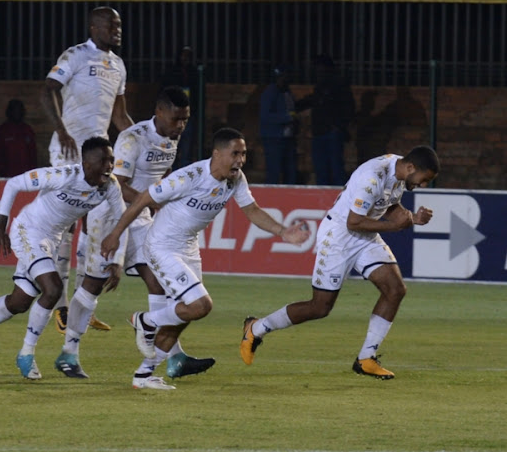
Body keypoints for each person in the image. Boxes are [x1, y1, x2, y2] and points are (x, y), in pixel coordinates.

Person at [101, 128, 310, 367]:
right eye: (235, 154)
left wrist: (282, 231)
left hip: (189, 246)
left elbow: (251, 210)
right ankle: (146, 321)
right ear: (217, 154)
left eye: (243, 154)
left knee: (184, 316)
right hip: (162, 245)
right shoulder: (189, 177)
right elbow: (142, 199)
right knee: (200, 305)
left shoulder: (236, 179)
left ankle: (145, 374)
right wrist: (115, 234)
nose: (240, 160)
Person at [55, 86, 214, 387]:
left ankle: (172, 356)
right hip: (108, 215)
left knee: (158, 280)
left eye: (186, 120)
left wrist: (153, 205)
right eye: (176, 119)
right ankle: (68, 352)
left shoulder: (170, 142)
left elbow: (156, 181)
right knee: (93, 284)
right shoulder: (132, 139)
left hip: (140, 218)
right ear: (160, 113)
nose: (181, 126)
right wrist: (153, 200)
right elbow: (116, 184)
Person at [240, 146, 440, 380]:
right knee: (320, 307)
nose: (423, 185)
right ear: (411, 167)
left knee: (395, 289)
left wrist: (413, 218)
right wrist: (395, 226)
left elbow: (390, 206)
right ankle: (256, 328)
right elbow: (353, 223)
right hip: (339, 237)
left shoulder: (399, 171)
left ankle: (366, 358)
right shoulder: (372, 177)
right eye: (423, 180)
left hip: (365, 237)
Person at [0, 137, 127, 380]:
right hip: (28, 231)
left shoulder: (110, 186)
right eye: (104, 161)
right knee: (53, 289)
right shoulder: (63, 176)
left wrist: (118, 260)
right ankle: (26, 353)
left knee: (19, 302)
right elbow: (13, 184)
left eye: (112, 160)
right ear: (86, 164)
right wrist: (1, 228)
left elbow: (123, 220)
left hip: (51, 241)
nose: (110, 166)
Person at [41, 6, 134, 333]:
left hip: (99, 157)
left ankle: (82, 305)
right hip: (69, 153)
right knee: (65, 228)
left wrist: (140, 143)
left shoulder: (118, 65)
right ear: (94, 27)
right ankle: (62, 308)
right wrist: (63, 131)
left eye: (120, 25)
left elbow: (120, 118)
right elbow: (48, 89)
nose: (117, 29)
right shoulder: (76, 55)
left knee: (96, 230)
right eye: (112, 24)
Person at [295, 54, 356, 186]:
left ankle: (340, 196)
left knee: (335, 167)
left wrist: (339, 126)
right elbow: (313, 101)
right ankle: (323, 196)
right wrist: (295, 106)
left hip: (331, 132)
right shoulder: (321, 86)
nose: (316, 71)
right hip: (320, 132)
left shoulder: (338, 84)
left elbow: (348, 107)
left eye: (318, 67)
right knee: (321, 168)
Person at [160, 46, 201, 169]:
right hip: (172, 116)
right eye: (183, 55)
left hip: (188, 115)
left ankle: (183, 176)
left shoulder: (193, 73)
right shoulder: (172, 72)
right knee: (171, 147)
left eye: (188, 56)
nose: (185, 58)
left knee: (186, 147)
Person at [259, 64, 299, 184]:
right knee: (274, 171)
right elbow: (265, 115)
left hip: (288, 137)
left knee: (290, 171)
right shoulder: (270, 92)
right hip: (274, 137)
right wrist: (287, 117)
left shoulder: (287, 92)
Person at [0, 99, 38, 177]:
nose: (17, 113)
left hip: (26, 177)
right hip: (8, 177)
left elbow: (33, 155)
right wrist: (3, 174)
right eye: (14, 110)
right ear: (9, 112)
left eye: (19, 110)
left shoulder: (27, 130)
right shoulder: (2, 131)